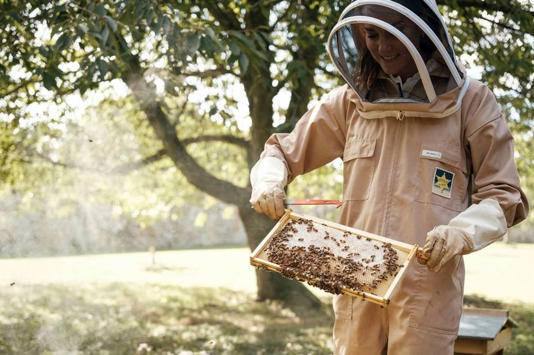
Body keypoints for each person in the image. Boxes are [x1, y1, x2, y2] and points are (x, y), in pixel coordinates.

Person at [249, 0, 529, 354]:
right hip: (355, 281)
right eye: (373, 34)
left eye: (397, 31)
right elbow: (281, 152)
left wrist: (461, 233)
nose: (383, 47)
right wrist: (268, 180)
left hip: (426, 289)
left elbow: (504, 196)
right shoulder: (349, 103)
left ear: (426, 32)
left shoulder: (472, 103)